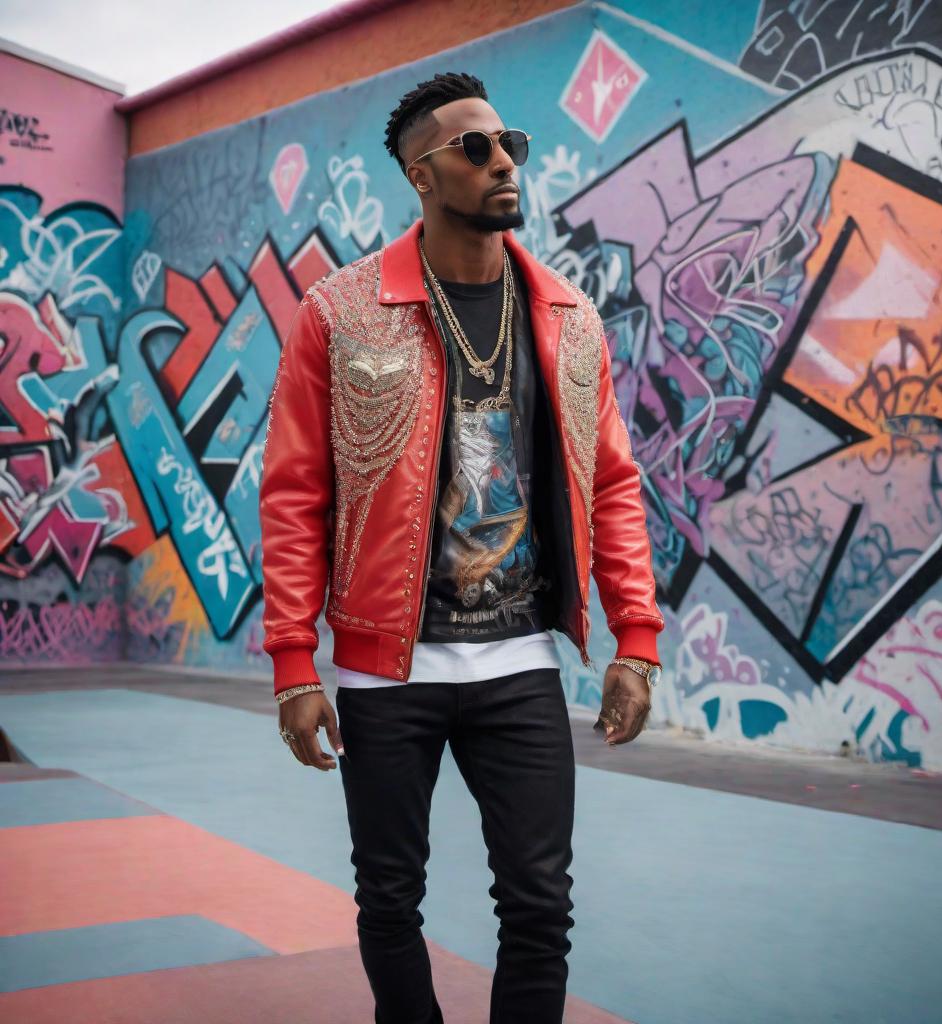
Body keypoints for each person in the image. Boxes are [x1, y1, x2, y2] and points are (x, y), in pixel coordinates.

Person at [259, 70, 664, 1024]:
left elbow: (611, 484)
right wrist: (293, 663)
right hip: (383, 670)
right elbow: (294, 493)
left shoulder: (568, 319)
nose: (502, 163)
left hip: (521, 659)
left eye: (510, 144)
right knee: (389, 901)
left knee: (539, 906)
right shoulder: (341, 312)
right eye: (474, 149)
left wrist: (635, 639)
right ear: (421, 174)